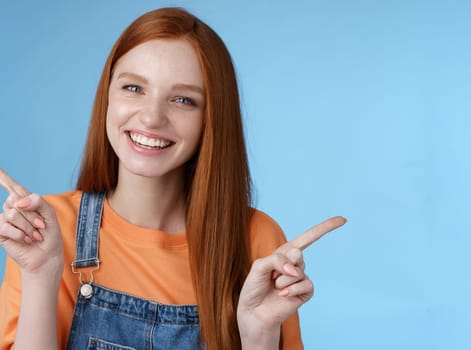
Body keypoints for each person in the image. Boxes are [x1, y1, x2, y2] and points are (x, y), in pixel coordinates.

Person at [0, 7, 345, 350]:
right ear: (107, 95)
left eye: (183, 100)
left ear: (211, 119)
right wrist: (40, 275)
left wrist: (259, 337)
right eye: (134, 88)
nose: (151, 118)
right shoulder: (49, 232)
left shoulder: (256, 241)